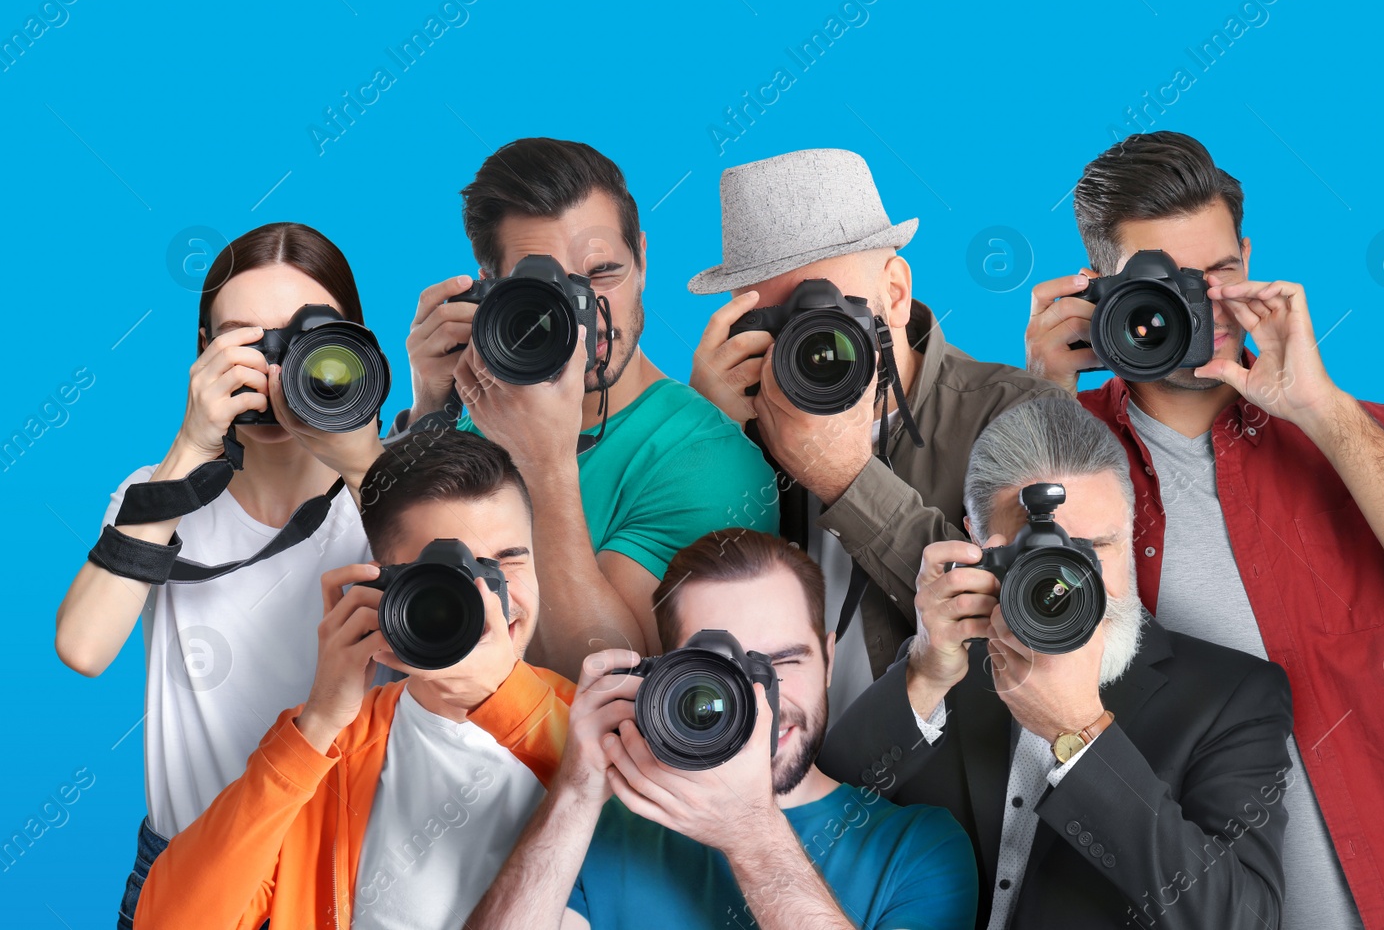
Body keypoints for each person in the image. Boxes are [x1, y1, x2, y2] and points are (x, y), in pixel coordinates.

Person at [1024, 131, 1384, 929]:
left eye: (1221, 274)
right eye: (1165, 283)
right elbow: (1017, 672)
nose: (1201, 304)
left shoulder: (1358, 436)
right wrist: (1045, 403)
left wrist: (1322, 410)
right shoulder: (1053, 447)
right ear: (1100, 294)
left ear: (1250, 260)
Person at [819, 397, 1295, 929]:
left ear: (1133, 532)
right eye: (1041, 556)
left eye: (1094, 548)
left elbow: (1242, 921)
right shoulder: (944, 669)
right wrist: (925, 672)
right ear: (976, 542)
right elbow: (818, 826)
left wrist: (1081, 734)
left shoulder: (1233, 696)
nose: (1072, 581)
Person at [52, 222, 385, 929]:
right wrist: (190, 446)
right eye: (244, 341)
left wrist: (362, 457)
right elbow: (83, 648)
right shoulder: (158, 495)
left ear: (350, 347)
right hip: (188, 872)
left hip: (341, 877)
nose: (271, 370)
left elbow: (462, 654)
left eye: (301, 341)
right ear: (204, 355)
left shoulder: (396, 496)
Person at [132, 431, 573, 930]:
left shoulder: (602, 723)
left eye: (508, 561)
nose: (484, 597)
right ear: (383, 589)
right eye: (447, 574)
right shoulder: (325, 749)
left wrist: (500, 696)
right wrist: (317, 725)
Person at [686, 148, 1066, 721]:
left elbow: (1039, 626)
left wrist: (845, 478)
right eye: (779, 321)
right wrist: (705, 443)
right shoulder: (738, 422)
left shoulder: (1019, 414)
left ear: (895, 290)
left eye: (833, 310)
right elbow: (685, 629)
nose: (810, 340)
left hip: (945, 790)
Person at [396, 137, 778, 681]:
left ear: (643, 258)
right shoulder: (469, 406)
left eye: (602, 274)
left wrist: (547, 466)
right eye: (543, 286)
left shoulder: (709, 460)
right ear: (491, 291)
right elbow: (390, 597)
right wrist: (429, 412)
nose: (586, 315)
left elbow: (612, 673)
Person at [470, 528, 979, 930]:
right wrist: (575, 793)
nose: (760, 703)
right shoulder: (595, 833)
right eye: (724, 673)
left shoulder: (921, 848)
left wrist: (749, 832)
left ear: (828, 659)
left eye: (782, 662)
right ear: (668, 678)